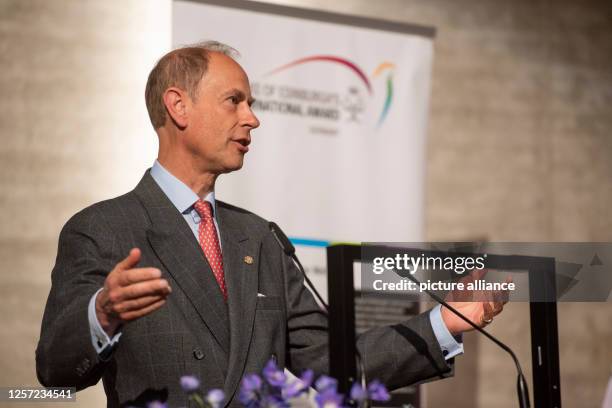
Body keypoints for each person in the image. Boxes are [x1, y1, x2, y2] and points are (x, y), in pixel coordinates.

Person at [36, 41, 505, 407]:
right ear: (178, 107)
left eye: (251, 103)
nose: (253, 119)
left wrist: (447, 320)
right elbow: (55, 373)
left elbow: (330, 363)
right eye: (234, 101)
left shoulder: (259, 238)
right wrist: (101, 314)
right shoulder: (102, 228)